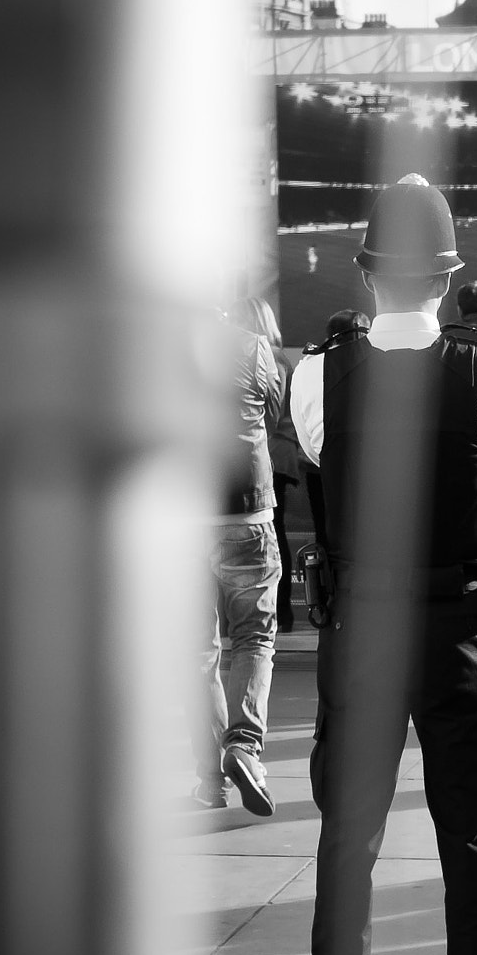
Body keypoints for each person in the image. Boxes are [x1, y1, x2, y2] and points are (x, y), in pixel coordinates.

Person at [288, 174, 477, 955]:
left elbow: (321, 461)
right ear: (447, 275)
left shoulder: (318, 371)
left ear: (363, 270)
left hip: (361, 626)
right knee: (471, 828)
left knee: (348, 830)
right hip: (459, 623)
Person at [190, 303, 284, 815]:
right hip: (246, 512)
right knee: (253, 637)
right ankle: (243, 746)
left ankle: (212, 779)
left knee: (197, 654)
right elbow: (274, 405)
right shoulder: (251, 346)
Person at [232, 296, 301, 633]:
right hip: (274, 455)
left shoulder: (266, 357)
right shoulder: (275, 357)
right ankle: (281, 614)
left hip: (270, 456)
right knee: (275, 534)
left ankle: (281, 612)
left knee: (275, 535)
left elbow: (270, 416)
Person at [301, 308, 370, 552]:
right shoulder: (381, 364)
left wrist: (323, 459)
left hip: (321, 465)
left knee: (327, 542)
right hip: (367, 468)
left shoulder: (311, 365)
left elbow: (304, 433)